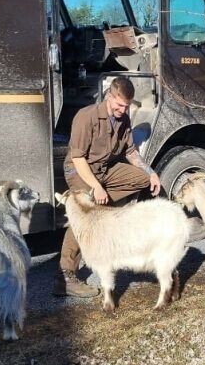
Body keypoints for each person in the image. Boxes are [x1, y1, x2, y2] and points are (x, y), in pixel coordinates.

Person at [53, 77, 161, 297]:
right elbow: (79, 158)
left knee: (142, 179)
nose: (123, 109)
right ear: (109, 96)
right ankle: (65, 277)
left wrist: (151, 173)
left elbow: (130, 152)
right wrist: (96, 188)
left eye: (127, 106)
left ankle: (104, 218)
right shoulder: (86, 116)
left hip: (104, 169)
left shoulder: (123, 119)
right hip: (79, 169)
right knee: (84, 212)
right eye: (119, 104)